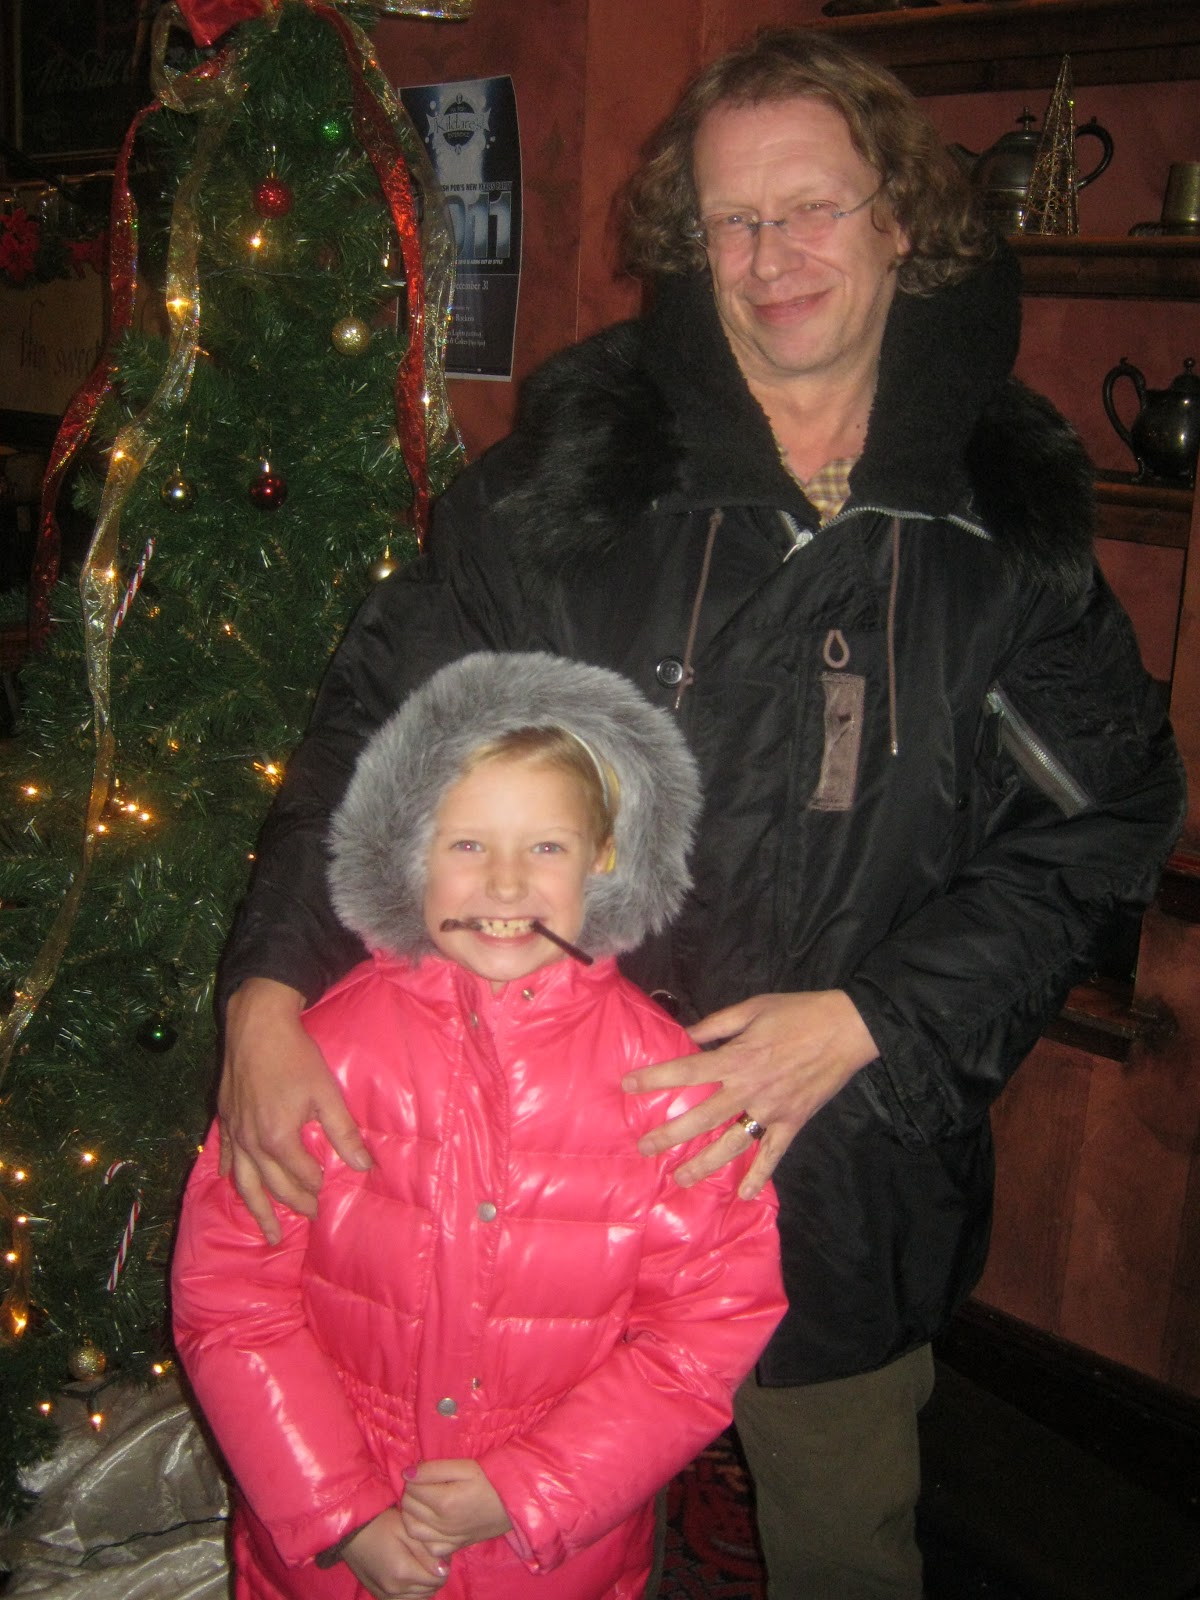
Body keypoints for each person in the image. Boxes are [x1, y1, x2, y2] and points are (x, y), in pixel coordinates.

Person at [213, 27, 1186, 1600]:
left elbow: (1104, 821)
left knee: (841, 1542)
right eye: (734, 219)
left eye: (813, 208)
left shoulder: (998, 514)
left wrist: (872, 1019)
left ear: (900, 221)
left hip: (838, 1156)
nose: (771, 254)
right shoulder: (579, 483)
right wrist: (267, 991)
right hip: (533, 1161)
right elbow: (376, 735)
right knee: (542, 1539)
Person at [174, 651, 786, 1600]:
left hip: (550, 1563)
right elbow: (233, 1301)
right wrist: (342, 1516)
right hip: (333, 1563)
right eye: (466, 845)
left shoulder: (670, 1089)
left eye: (545, 848)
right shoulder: (319, 1060)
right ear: (407, 849)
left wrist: (532, 1489)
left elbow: (704, 1329)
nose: (504, 885)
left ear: (604, 855)